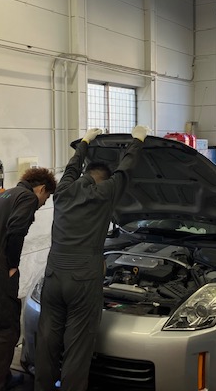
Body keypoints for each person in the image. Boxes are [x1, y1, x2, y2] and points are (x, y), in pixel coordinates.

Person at [34, 125, 149, 391]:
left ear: (85, 175)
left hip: (53, 274)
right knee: (78, 345)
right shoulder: (104, 193)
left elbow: (71, 168)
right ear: (102, 180)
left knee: (47, 339)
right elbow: (125, 171)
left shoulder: (62, 192)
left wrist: (85, 141)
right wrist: (137, 141)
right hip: (84, 278)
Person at [0, 167, 57, 391]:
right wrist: (13, 265)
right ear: (41, 188)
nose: (43, 203)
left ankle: (1, 378)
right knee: (7, 328)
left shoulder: (1, 196)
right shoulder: (27, 197)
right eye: (46, 197)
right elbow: (17, 229)